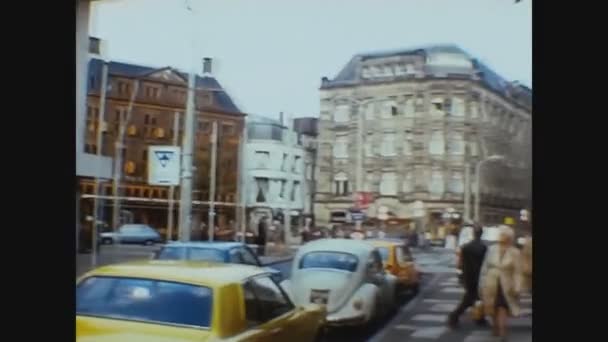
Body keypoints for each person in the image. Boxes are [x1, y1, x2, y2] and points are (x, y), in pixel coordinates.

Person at [479, 225, 523, 340]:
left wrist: (518, 287)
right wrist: (482, 283)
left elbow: (518, 272)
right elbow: (484, 268)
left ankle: (503, 330)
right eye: (501, 234)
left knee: (503, 306)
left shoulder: (515, 252)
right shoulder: (492, 249)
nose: (502, 237)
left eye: (504, 235)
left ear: (510, 237)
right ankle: (495, 326)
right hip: (491, 282)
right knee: (492, 307)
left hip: (506, 285)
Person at [448, 225, 488, 328]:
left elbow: (460, 263)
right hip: (479, 276)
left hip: (468, 276)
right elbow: (485, 264)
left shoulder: (465, 247)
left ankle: (479, 318)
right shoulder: (484, 248)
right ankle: (454, 317)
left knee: (475, 298)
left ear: (473, 234)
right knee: (470, 300)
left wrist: (460, 274)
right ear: (481, 234)